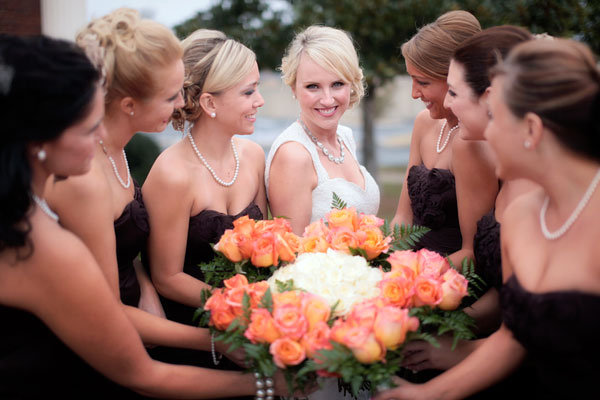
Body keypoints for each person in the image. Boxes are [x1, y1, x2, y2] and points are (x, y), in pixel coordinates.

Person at [0, 33, 291, 399]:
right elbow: (141, 373)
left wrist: (144, 282)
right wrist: (265, 382)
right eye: (90, 128)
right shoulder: (47, 247)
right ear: (38, 138)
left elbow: (125, 241)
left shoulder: (40, 217)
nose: (100, 141)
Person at [374, 37, 600, 400]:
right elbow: (514, 336)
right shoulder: (523, 216)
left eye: (496, 117)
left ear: (532, 130)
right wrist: (427, 393)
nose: (486, 134)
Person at [45, 9, 245, 373]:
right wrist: (218, 340)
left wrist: (146, 290)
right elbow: (105, 312)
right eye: (170, 96)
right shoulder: (84, 176)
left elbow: (121, 248)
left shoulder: (116, 151)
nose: (182, 105)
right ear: (129, 105)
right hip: (93, 353)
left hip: (144, 321)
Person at [401, 26, 537, 375]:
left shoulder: (526, 183)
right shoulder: (512, 172)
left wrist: (449, 331)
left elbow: (523, 310)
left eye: (452, 90)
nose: (444, 102)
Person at [142, 29, 266, 335]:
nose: (260, 101)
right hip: (192, 327)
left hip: (253, 325)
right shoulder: (173, 174)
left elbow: (265, 245)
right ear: (209, 103)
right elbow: (166, 276)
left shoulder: (253, 156)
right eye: (249, 92)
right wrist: (235, 307)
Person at [265, 25, 379, 235]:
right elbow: (292, 255)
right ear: (294, 88)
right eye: (313, 86)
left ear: (351, 84)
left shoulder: (345, 137)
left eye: (337, 84)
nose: (327, 99)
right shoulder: (294, 155)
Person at [391, 11, 483, 268]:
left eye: (422, 82)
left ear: (453, 78)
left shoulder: (474, 142)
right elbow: (402, 215)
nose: (413, 93)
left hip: (451, 280)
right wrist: (384, 259)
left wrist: (415, 279)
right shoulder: (423, 123)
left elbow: (472, 251)